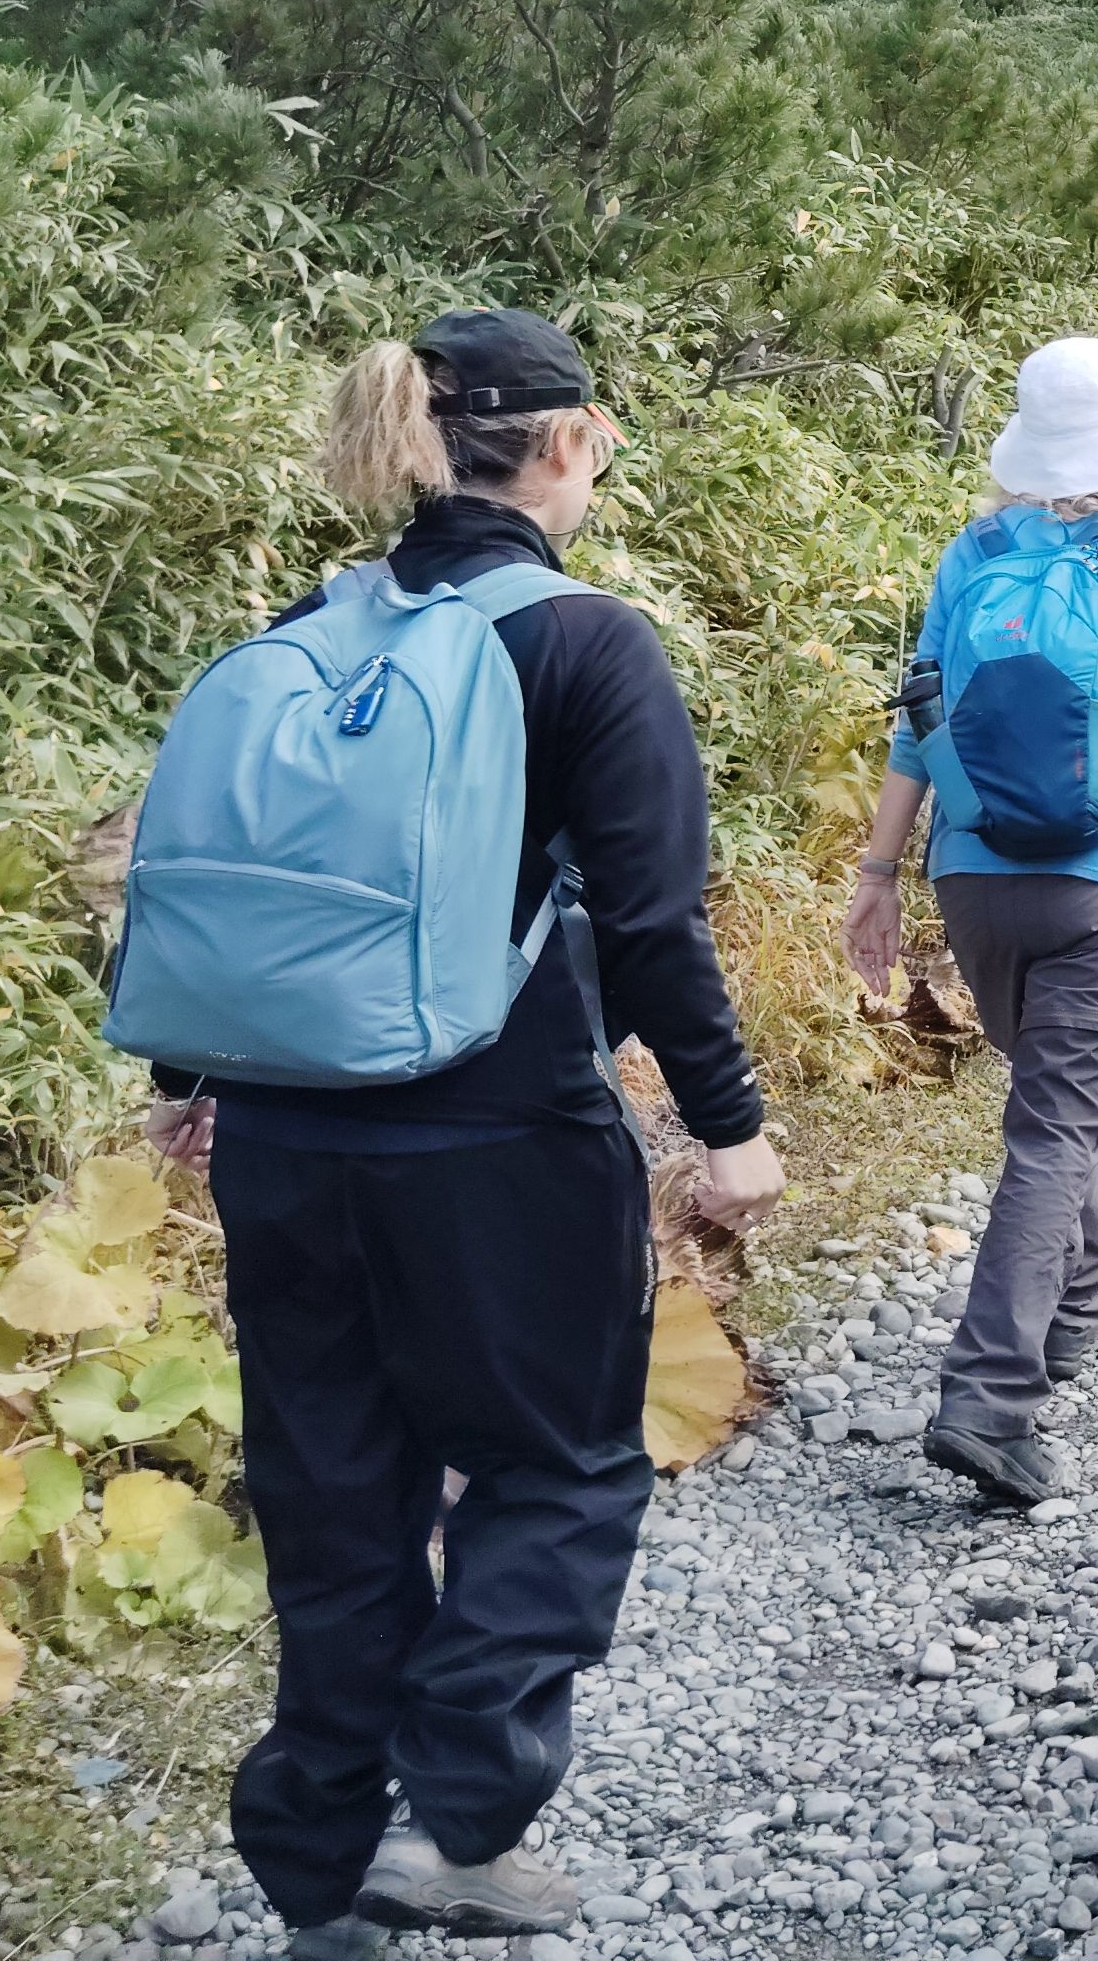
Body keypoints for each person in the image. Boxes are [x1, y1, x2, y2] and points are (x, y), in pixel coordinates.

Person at [140, 308, 784, 1950]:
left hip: (285, 1136)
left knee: (336, 1485)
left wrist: (190, 1084)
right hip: (501, 1139)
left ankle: (317, 1852)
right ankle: (453, 1812)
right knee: (559, 1468)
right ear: (568, 443)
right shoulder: (586, 643)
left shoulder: (312, 623)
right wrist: (730, 1125)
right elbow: (652, 927)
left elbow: (222, 876)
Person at [843, 335, 1098, 1506]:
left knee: (1050, 1106)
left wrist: (878, 872)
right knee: (1058, 1128)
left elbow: (918, 720)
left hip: (974, 877)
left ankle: (1075, 1302)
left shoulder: (970, 555)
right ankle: (991, 1397)